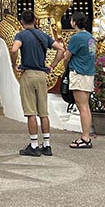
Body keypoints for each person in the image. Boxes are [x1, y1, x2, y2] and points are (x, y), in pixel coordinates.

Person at [11, 10, 66, 156]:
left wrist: (14, 64)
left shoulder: (21, 35)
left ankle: (34, 145)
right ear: (35, 20)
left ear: (22, 22)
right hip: (42, 75)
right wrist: (52, 65)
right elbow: (61, 49)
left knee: (30, 112)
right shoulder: (43, 35)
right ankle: (47, 145)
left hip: (28, 74)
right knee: (43, 112)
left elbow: (14, 49)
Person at [65, 11, 97, 148]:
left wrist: (64, 68)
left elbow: (67, 56)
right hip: (89, 72)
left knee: (82, 106)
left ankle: (85, 137)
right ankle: (86, 135)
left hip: (78, 72)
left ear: (74, 22)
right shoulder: (90, 37)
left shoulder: (76, 38)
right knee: (86, 106)